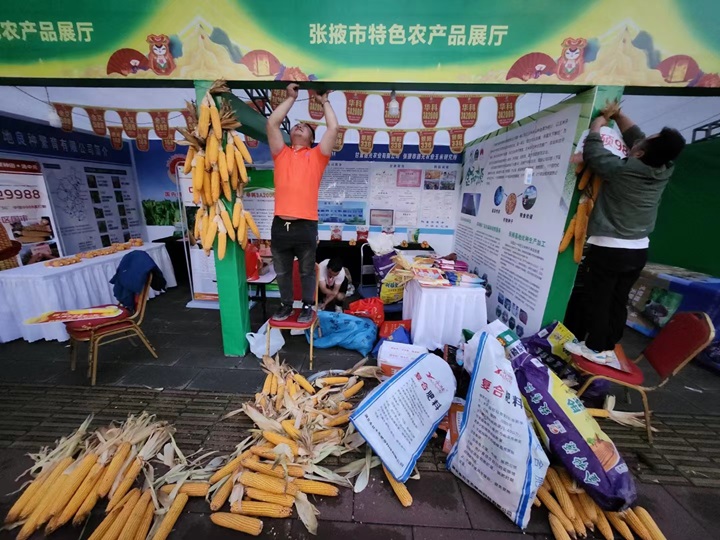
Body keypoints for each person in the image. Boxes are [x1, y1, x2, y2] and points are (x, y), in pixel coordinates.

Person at [565, 106, 686, 364]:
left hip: (610, 249)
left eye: (645, 140)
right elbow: (637, 138)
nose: (640, 137)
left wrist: (597, 124)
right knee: (618, 300)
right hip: (638, 250)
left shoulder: (621, 170)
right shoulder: (665, 169)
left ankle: (595, 348)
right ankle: (608, 345)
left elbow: (594, 153)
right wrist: (617, 115)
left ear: (639, 153)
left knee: (598, 299)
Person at [267, 83, 339, 323]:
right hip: (280, 225)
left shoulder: (317, 156)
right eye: (297, 125)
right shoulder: (281, 153)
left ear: (311, 139)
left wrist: (324, 101)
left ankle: (307, 306)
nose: (300, 126)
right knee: (282, 271)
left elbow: (333, 127)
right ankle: (286, 305)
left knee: (307, 271)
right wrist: (290, 98)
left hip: (306, 225)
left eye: (306, 127)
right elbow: (272, 123)